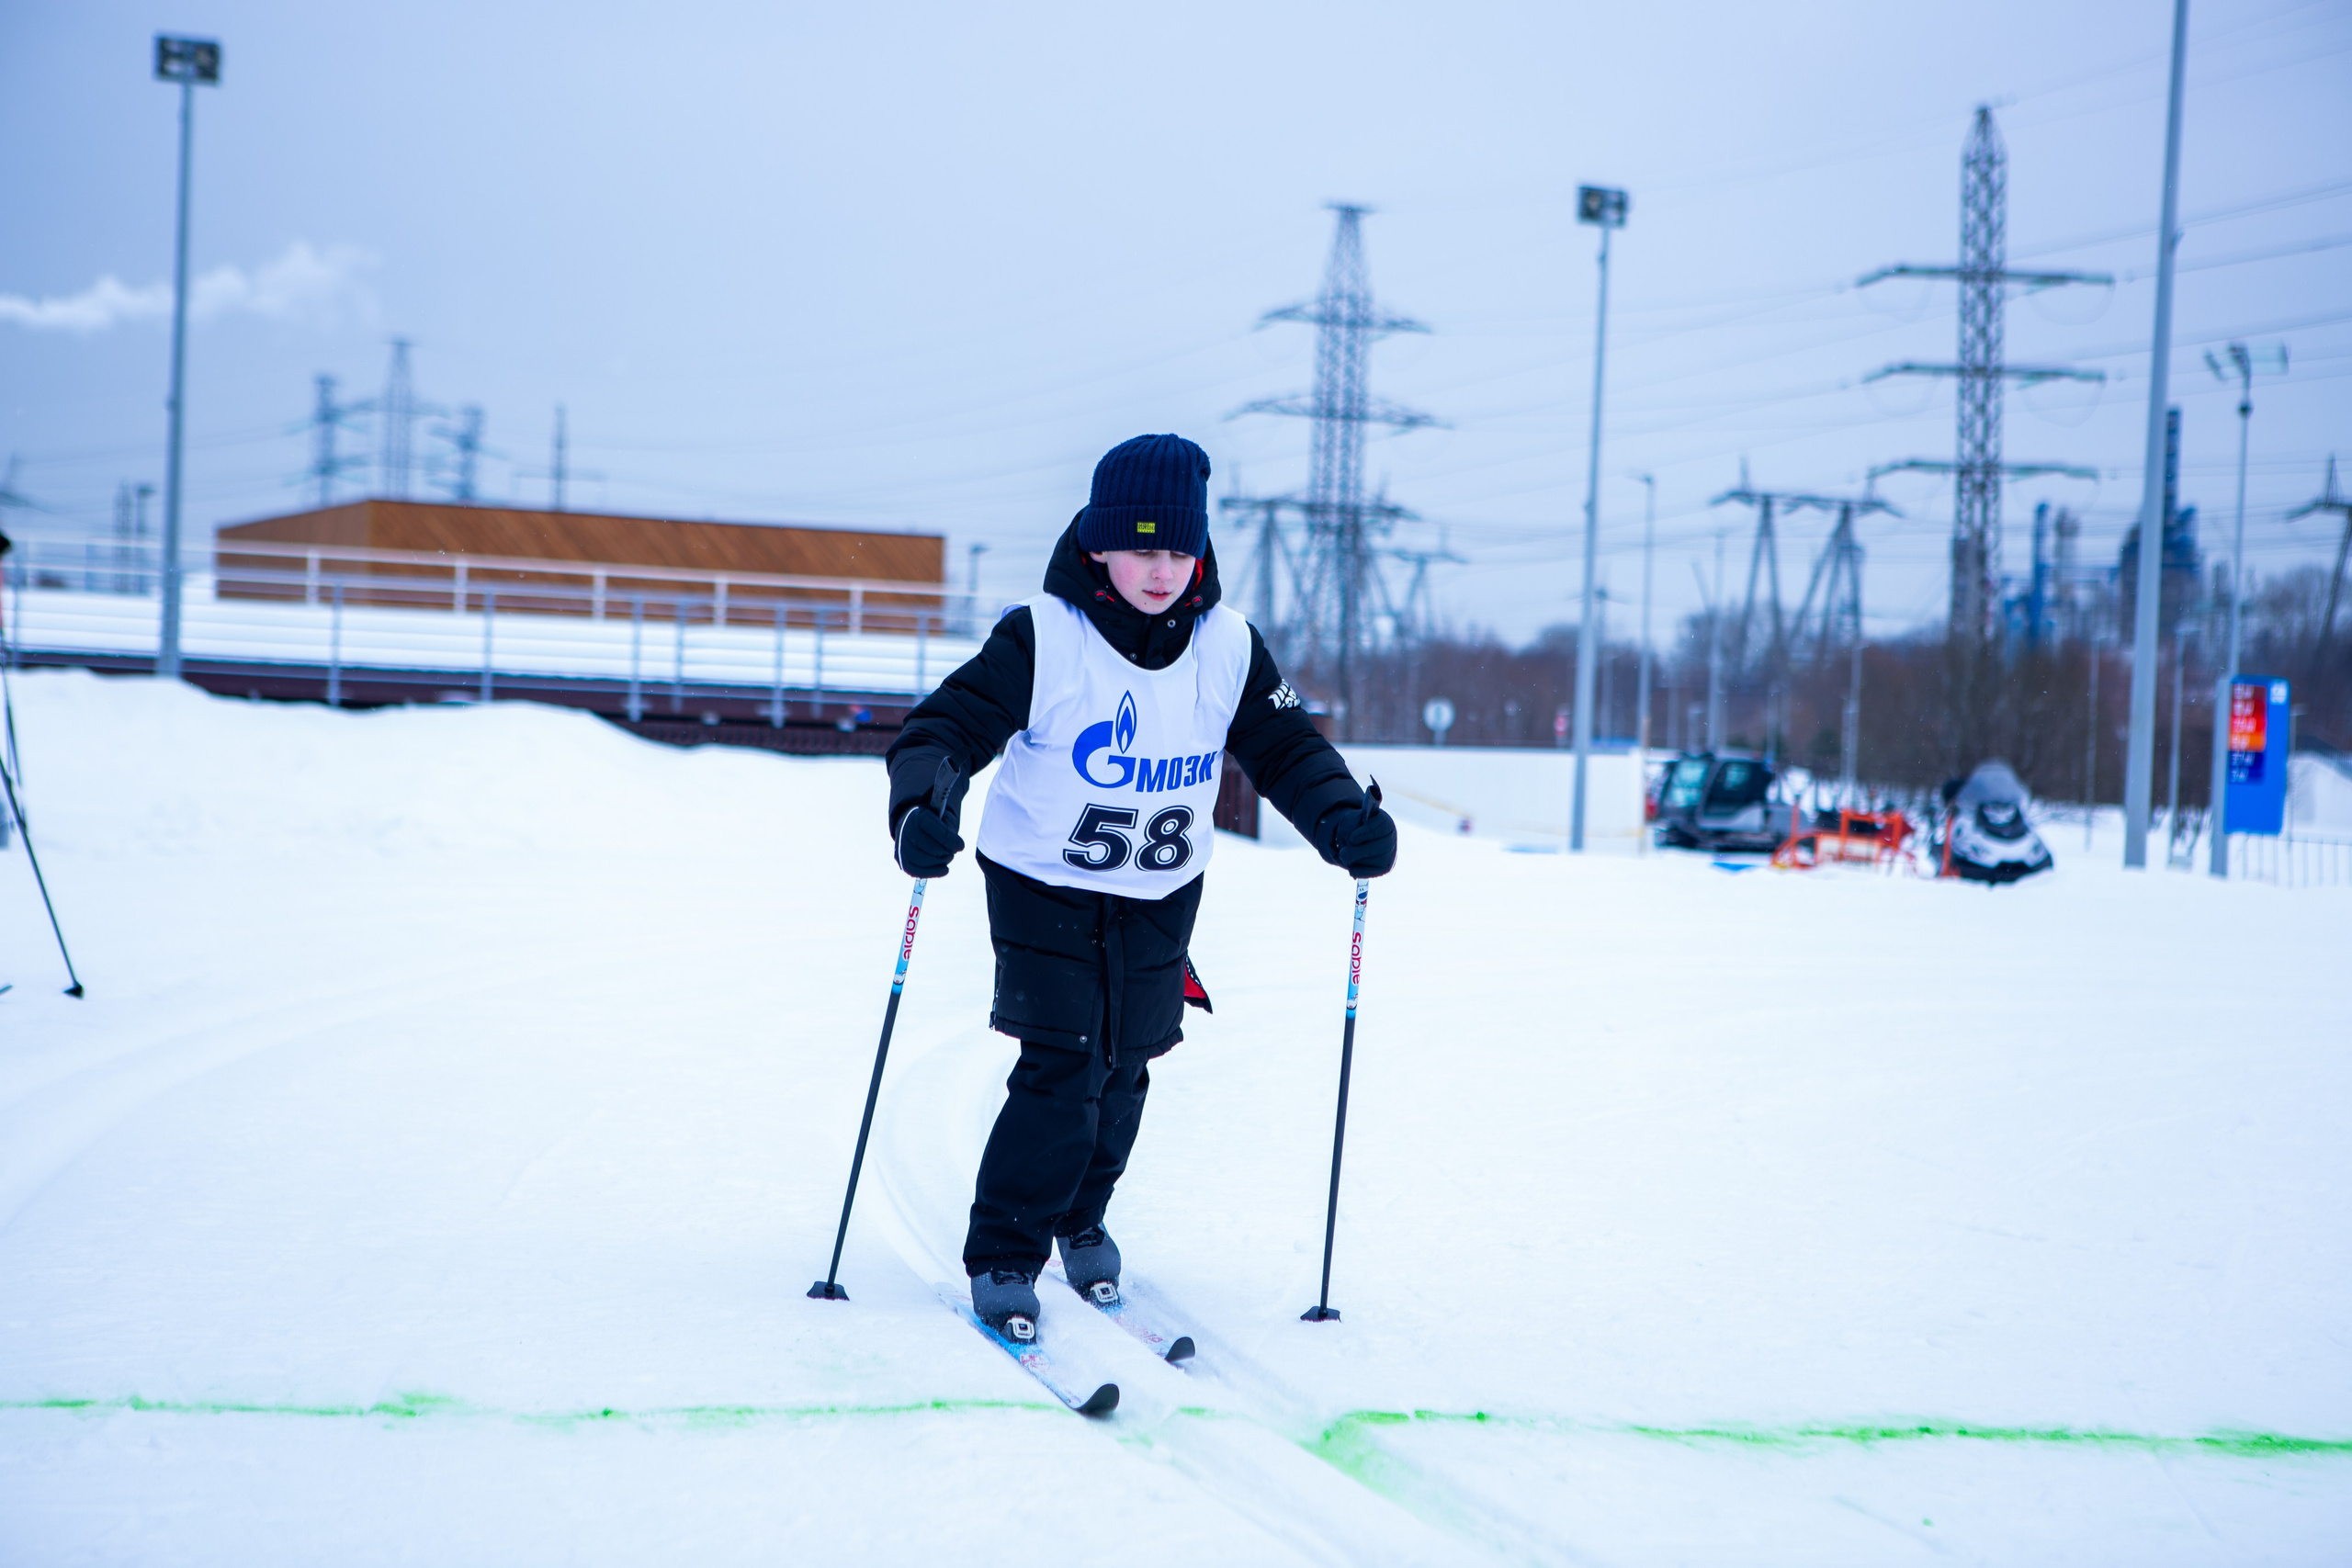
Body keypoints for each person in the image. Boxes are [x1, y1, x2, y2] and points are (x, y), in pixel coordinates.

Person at [885, 433, 1396, 1339]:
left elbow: (1287, 751)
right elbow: (946, 728)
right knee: (1064, 1060)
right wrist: (922, 804)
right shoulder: (1043, 637)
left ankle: (1083, 1217)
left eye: (1178, 550)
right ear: (1098, 548)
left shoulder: (1229, 646)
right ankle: (1007, 1249)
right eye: (1141, 548)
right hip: (1043, 878)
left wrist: (1342, 819)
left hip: (1162, 887)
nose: (1161, 571)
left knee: (1127, 1061)